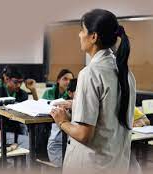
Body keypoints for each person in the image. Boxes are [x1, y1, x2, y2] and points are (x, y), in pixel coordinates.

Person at [50, 9, 136, 173]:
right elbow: (109, 110)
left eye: (82, 30)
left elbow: (84, 134)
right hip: (116, 163)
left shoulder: (90, 73)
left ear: (93, 36)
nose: (79, 35)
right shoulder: (125, 72)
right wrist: (76, 105)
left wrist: (62, 121)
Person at [45, 77, 76, 167]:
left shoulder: (78, 105)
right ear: (70, 93)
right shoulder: (62, 107)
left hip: (70, 148)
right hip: (59, 148)